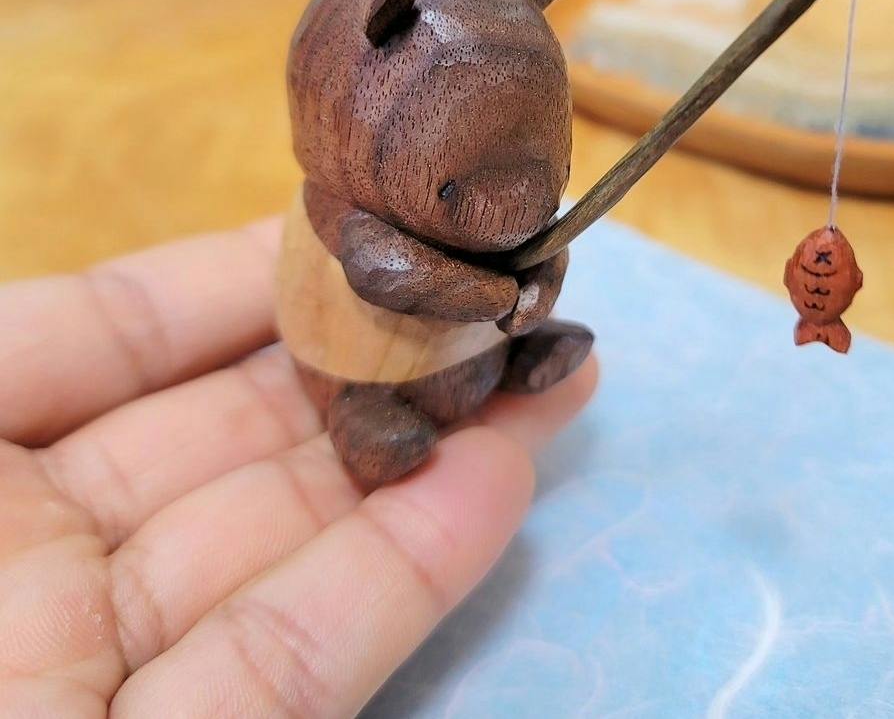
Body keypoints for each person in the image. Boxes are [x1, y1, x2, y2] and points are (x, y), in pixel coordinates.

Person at [0, 219, 598, 717]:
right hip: (361, 365)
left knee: (508, 312)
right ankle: (364, 418)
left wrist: (536, 281)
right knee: (376, 394)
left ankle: (513, 359)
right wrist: (496, 293)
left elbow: (545, 248)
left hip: (477, 343)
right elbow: (381, 265)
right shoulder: (347, 203)